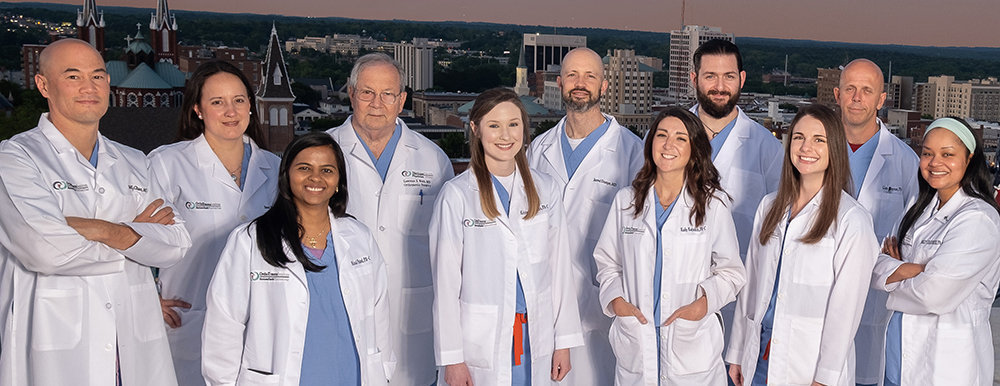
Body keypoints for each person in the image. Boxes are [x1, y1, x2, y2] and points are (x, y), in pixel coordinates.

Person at [0, 38, 192, 385]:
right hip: (58, 345)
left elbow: (177, 243)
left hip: (132, 344)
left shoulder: (134, 161)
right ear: (43, 85)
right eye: (72, 77)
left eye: (98, 76)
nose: (89, 87)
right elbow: (44, 250)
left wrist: (104, 230)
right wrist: (136, 241)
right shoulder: (16, 159)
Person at [202, 132, 394, 385]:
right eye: (304, 168)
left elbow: (379, 314)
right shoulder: (250, 240)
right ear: (287, 176)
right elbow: (224, 325)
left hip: (353, 376)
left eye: (327, 170)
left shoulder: (360, 238)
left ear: (338, 182)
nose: (316, 178)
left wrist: (385, 371)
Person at [430, 88, 583, 386]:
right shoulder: (456, 195)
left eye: (513, 124)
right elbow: (445, 284)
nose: (505, 135)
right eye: (494, 125)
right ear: (475, 129)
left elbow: (560, 270)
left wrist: (563, 341)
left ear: (525, 129)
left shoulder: (546, 189)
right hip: (479, 340)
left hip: (535, 335)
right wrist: (452, 359)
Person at [147, 60, 281, 385]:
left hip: (260, 324)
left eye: (238, 100)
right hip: (190, 321)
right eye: (217, 102)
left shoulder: (275, 169)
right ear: (198, 109)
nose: (230, 111)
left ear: (251, 105)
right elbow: (132, 237)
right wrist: (146, 297)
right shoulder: (168, 164)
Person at [726, 104, 879, 386]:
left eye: (818, 140)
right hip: (758, 353)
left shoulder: (852, 219)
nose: (806, 147)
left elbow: (846, 309)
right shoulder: (770, 205)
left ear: (834, 148)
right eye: (798, 137)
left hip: (809, 364)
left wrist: (825, 377)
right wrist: (737, 350)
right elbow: (752, 285)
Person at [327, 52, 454, 386]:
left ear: (402, 100)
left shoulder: (433, 159)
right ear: (352, 94)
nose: (376, 103)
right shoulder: (323, 151)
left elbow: (451, 246)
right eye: (367, 92)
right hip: (341, 304)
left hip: (411, 314)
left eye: (387, 94)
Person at [594, 107, 746, 385]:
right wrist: (617, 302)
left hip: (691, 346)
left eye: (680, 138)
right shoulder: (626, 202)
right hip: (636, 341)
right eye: (661, 135)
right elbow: (607, 262)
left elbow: (732, 272)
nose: (668, 144)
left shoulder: (713, 205)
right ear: (650, 142)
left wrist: (702, 306)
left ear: (694, 150)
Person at [526, 47, 644, 385]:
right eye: (573, 75)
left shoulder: (631, 152)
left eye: (590, 76)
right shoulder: (540, 149)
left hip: (600, 312)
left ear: (604, 86)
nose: (581, 83)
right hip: (545, 306)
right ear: (560, 83)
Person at [872, 117, 1000, 386]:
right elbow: (874, 265)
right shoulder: (917, 208)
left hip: (947, 364)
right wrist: (920, 271)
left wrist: (895, 276)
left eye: (948, 154)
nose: (934, 162)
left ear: (970, 158)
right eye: (927, 153)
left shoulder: (978, 219)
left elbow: (934, 296)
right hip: (897, 358)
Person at [832, 59, 920, 386]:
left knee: (868, 373)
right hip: (819, 291)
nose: (857, 97)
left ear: (881, 100)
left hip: (875, 303)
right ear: (837, 95)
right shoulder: (813, 151)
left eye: (867, 90)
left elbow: (917, 233)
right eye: (850, 89)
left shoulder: (905, 162)